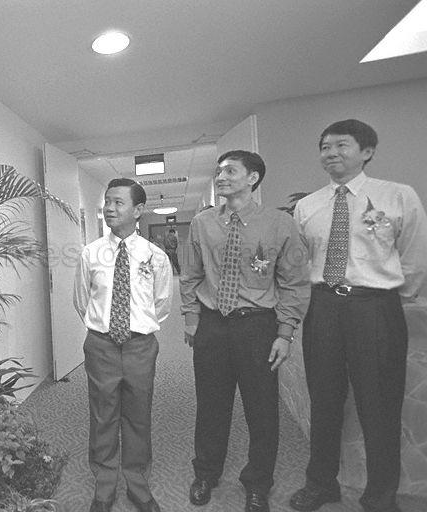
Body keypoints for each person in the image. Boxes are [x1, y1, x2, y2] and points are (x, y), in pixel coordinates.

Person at [289, 119, 427, 512]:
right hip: (324, 307)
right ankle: (321, 484)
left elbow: (415, 256)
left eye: (341, 145)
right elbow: (302, 262)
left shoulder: (397, 196)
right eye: (324, 147)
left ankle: (381, 495)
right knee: (325, 401)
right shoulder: (307, 206)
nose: (330, 153)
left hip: (375, 308)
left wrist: (389, 297)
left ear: (367, 151)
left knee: (379, 404)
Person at [180, 150, 309, 512]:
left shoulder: (280, 224)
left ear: (253, 178)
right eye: (219, 172)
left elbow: (295, 282)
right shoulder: (203, 223)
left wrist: (285, 332)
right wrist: (191, 317)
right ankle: (206, 472)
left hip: (258, 326)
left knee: (262, 409)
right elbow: (190, 275)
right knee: (210, 404)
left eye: (230, 171)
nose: (221, 177)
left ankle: (258, 484)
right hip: (212, 324)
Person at [73, 178, 172, 512]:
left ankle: (136, 483)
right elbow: (81, 300)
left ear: (138, 210)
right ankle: (104, 485)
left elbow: (162, 303)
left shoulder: (155, 256)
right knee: (102, 414)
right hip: (101, 345)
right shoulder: (91, 253)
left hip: (140, 347)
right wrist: (106, 327)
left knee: (138, 415)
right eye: (107, 202)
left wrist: (134, 327)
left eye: (118, 203)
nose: (110, 209)